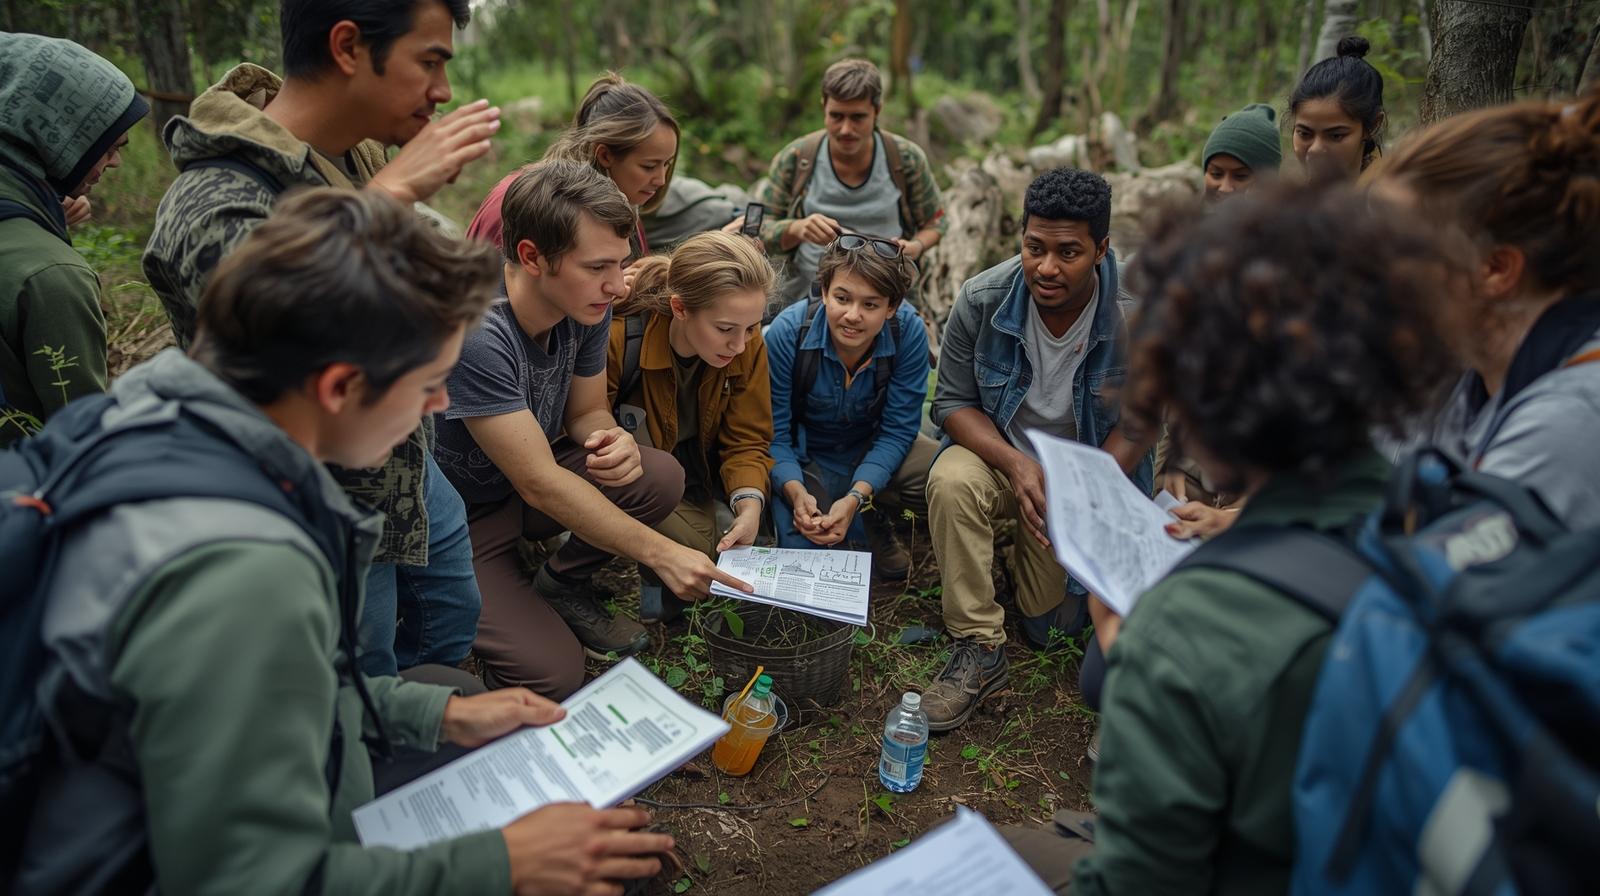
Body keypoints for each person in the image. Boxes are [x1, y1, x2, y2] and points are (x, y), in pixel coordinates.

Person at [20, 188, 674, 896]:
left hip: (182, 783)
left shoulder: (155, 406)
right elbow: (245, 879)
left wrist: (431, 713)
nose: (442, 406)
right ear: (338, 385)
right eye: (427, 384)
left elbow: (278, 701)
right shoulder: (247, 569)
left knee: (448, 688)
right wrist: (504, 865)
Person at [1001, 184, 1462, 896]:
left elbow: (1141, 882)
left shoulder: (1190, 630)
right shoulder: (1456, 506)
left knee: (997, 857)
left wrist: (1130, 645)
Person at [141, 0, 503, 679]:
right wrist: (387, 200)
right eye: (429, 62)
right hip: (313, 506)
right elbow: (286, 332)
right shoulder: (215, 197)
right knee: (356, 678)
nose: (443, 91)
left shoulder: (352, 155)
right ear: (347, 47)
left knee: (449, 619)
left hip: (403, 465)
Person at [434, 160, 751, 697]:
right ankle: (479, 600)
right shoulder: (479, 331)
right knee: (553, 673)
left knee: (656, 475)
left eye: (621, 263)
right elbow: (539, 481)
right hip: (465, 517)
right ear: (532, 257)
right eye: (598, 266)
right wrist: (662, 553)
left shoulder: (586, 304)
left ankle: (556, 582)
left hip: (525, 486)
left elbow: (584, 412)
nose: (616, 284)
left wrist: (611, 438)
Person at [918, 168, 1152, 732]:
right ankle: (978, 644)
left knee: (1049, 628)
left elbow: (1143, 424)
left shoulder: (1134, 318)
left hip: (1083, 478)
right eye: (1034, 247)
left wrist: (1079, 489)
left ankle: (1015, 546)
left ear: (1101, 249)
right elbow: (950, 403)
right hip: (1003, 459)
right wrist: (1017, 464)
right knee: (951, 480)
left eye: (1068, 252)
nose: (1047, 267)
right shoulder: (983, 299)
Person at [1372, 91, 1600, 530]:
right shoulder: (1473, 377)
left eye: (1399, 248)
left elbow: (1439, 580)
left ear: (1494, 269)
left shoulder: (1569, 421)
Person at [607, 231, 776, 618]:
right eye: (725, 329)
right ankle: (651, 578)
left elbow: (748, 438)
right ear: (680, 308)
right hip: (645, 478)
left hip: (702, 473)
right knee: (703, 557)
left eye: (751, 328)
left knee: (748, 547)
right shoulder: (620, 338)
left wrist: (749, 503)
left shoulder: (747, 343)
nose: (739, 344)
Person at [0, 33, 147, 446]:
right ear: (58, 137)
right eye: (109, 146)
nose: (115, 162)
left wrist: (44, 222)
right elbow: (83, 441)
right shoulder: (51, 276)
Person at [765, 235, 935, 579]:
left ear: (892, 307)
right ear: (825, 291)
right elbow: (773, 433)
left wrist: (857, 495)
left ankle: (873, 512)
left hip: (870, 444)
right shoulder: (787, 333)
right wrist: (794, 490)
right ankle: (834, 514)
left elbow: (898, 430)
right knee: (808, 548)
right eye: (842, 298)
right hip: (805, 453)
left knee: (938, 470)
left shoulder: (909, 333)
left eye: (871, 305)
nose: (853, 316)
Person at [754, 58, 947, 310]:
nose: (846, 129)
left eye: (858, 117)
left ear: (877, 111)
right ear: (824, 107)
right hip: (808, 292)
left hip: (887, 292)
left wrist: (915, 247)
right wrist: (797, 229)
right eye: (836, 116)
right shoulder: (797, 159)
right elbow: (759, 232)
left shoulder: (905, 159)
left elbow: (936, 222)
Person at [467, 72, 679, 261]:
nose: (661, 180)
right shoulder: (532, 206)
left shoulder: (620, 205)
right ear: (605, 155)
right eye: (649, 166)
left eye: (667, 165)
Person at [1290, 35, 1385, 184]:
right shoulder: (1283, 203)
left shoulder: (1390, 202)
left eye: (1335, 136)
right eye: (1304, 134)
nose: (1315, 149)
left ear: (1373, 125)